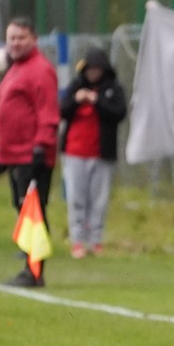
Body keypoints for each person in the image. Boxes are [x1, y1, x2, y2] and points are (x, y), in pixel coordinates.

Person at [0, 17, 59, 287]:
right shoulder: (16, 69)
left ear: (34, 39)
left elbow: (47, 112)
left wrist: (41, 146)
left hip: (31, 153)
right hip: (15, 154)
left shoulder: (40, 69)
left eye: (21, 38)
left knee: (34, 211)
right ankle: (31, 266)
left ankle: (34, 271)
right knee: (23, 209)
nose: (16, 43)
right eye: (11, 38)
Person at [59, 48, 128, 259]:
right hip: (75, 152)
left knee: (98, 200)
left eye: (96, 69)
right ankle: (77, 240)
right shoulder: (76, 86)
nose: (92, 73)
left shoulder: (113, 89)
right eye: (89, 70)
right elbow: (62, 110)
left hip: (101, 153)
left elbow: (119, 113)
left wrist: (97, 101)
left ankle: (95, 240)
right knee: (76, 198)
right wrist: (77, 99)